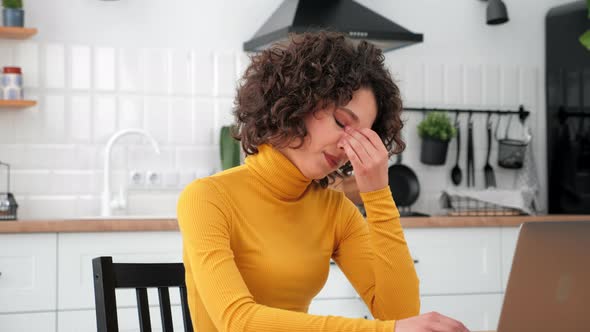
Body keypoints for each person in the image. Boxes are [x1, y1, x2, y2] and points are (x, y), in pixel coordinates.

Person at [177, 31, 469, 332]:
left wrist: (378, 193)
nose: (347, 146)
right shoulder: (207, 197)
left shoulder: (334, 209)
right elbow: (238, 321)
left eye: (361, 136)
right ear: (297, 103)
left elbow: (400, 313)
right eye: (342, 122)